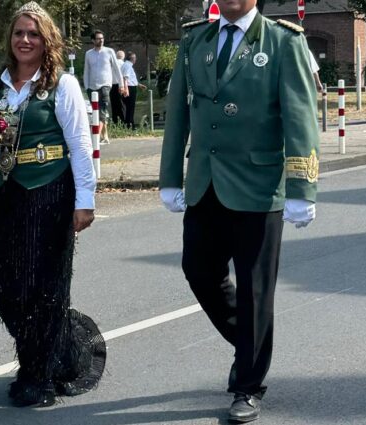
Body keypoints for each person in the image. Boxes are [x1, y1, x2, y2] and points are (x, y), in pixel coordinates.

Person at [158, 0, 319, 422]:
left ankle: (247, 385)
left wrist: (303, 187)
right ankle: (250, 345)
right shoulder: (196, 40)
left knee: (254, 289)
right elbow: (178, 113)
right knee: (198, 271)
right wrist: (170, 176)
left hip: (260, 186)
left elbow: (300, 118)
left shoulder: (284, 41)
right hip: (205, 183)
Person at [0, 1, 106, 408]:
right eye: (18, 33)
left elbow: (81, 146)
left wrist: (85, 201)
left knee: (44, 286)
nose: (25, 40)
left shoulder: (61, 85)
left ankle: (38, 375)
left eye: (33, 33)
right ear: (9, 39)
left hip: (49, 189)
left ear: (46, 39)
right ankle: (56, 352)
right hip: (4, 192)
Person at [83, 30, 126, 144]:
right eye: (98, 38)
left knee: (102, 110)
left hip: (105, 85)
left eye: (102, 38)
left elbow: (117, 69)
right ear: (93, 40)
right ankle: (105, 136)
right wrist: (87, 86)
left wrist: (121, 85)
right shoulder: (89, 54)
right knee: (95, 111)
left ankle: (95, 138)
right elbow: (86, 70)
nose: (101, 40)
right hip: (92, 86)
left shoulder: (109, 51)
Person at [120, 51, 146, 130]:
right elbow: (125, 77)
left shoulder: (125, 65)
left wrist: (138, 84)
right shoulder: (128, 66)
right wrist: (126, 88)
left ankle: (128, 124)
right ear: (132, 59)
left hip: (130, 86)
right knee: (130, 107)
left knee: (129, 107)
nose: (135, 60)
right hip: (130, 88)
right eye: (135, 58)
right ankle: (130, 125)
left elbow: (131, 78)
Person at [110, 50, 127, 125]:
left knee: (114, 105)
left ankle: (115, 122)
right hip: (120, 85)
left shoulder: (112, 64)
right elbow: (125, 77)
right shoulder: (123, 64)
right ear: (123, 57)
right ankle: (123, 122)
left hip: (112, 85)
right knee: (121, 104)